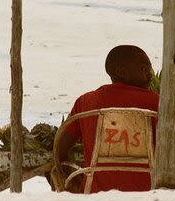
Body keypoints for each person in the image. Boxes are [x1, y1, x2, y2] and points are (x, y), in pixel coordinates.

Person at [55, 45, 158, 193]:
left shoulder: (85, 102)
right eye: (144, 69)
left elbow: (59, 148)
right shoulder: (157, 103)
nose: (150, 75)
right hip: (149, 191)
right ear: (122, 72)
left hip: (96, 193)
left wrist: (78, 179)